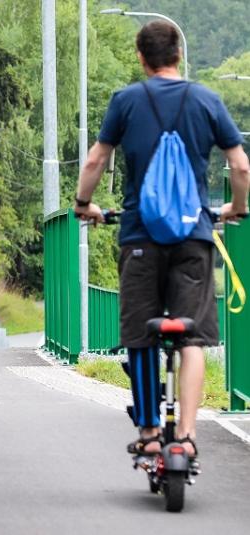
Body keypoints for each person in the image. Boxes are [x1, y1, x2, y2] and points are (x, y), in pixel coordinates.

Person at [74, 20, 250, 458]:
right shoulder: (206, 99)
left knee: (140, 336)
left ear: (141, 56)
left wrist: (84, 204)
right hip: (193, 236)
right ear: (177, 55)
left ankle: (151, 434)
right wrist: (236, 208)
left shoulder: (127, 101)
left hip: (139, 236)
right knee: (192, 339)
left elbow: (97, 159)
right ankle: (187, 437)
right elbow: (240, 166)